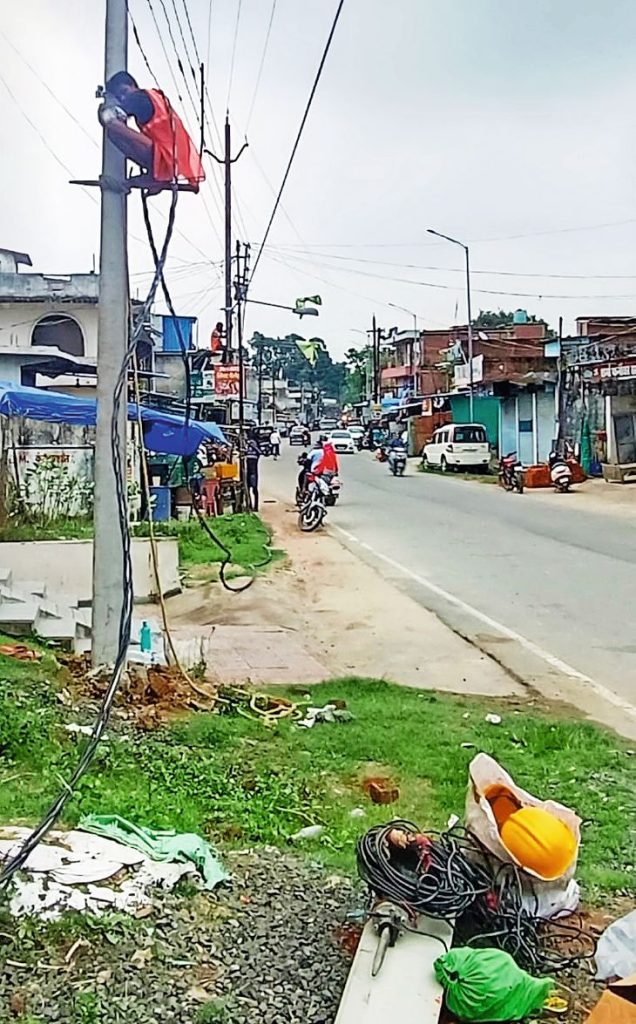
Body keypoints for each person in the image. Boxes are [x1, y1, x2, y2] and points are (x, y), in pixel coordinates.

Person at [100, 72, 205, 189]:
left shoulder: (138, 97)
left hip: (165, 157)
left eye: (124, 92)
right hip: (174, 158)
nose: (123, 98)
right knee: (116, 125)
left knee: (113, 130)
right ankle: (156, 176)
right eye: (119, 97)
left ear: (133, 85)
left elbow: (112, 115)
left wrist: (105, 112)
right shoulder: (155, 97)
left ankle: (155, 177)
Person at [245, 436, 261, 511]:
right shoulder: (247, 451)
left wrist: (253, 446)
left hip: (254, 474)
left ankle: (256, 506)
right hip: (248, 473)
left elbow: (260, 452)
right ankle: (250, 505)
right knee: (247, 490)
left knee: (254, 490)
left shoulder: (256, 453)